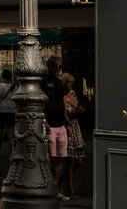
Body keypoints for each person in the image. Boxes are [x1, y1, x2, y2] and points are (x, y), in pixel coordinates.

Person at [43, 56, 69, 195]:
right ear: (48, 66)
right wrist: (45, 121)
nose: (58, 69)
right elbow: (42, 104)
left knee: (60, 158)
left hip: (61, 125)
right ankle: (50, 187)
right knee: (52, 158)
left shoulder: (59, 82)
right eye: (55, 66)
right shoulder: (43, 82)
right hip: (50, 126)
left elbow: (62, 104)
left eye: (60, 66)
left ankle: (56, 186)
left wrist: (67, 123)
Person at [61, 72, 86, 200]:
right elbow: (63, 112)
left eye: (71, 83)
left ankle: (60, 181)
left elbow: (77, 105)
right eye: (67, 83)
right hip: (67, 126)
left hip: (76, 125)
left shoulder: (73, 94)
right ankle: (70, 190)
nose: (70, 85)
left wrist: (80, 109)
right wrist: (68, 123)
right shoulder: (62, 97)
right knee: (69, 161)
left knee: (78, 161)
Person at [0, 69, 16, 160]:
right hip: (12, 113)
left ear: (3, 77)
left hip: (0, 112)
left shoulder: (0, 86)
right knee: (11, 136)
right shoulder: (15, 87)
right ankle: (10, 155)